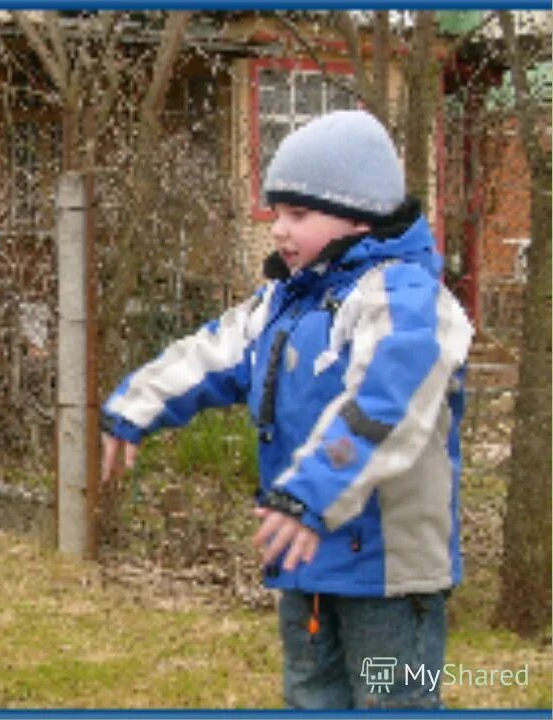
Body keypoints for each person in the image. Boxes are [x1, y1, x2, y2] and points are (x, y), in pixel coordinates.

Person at [99, 110, 474, 710]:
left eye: (298, 214)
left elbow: (387, 403)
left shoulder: (408, 300)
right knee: (310, 697)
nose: (278, 230)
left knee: (392, 701)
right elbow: (210, 354)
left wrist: (312, 495)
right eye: (275, 212)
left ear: (359, 218)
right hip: (306, 561)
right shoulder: (284, 303)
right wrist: (135, 404)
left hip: (389, 575)